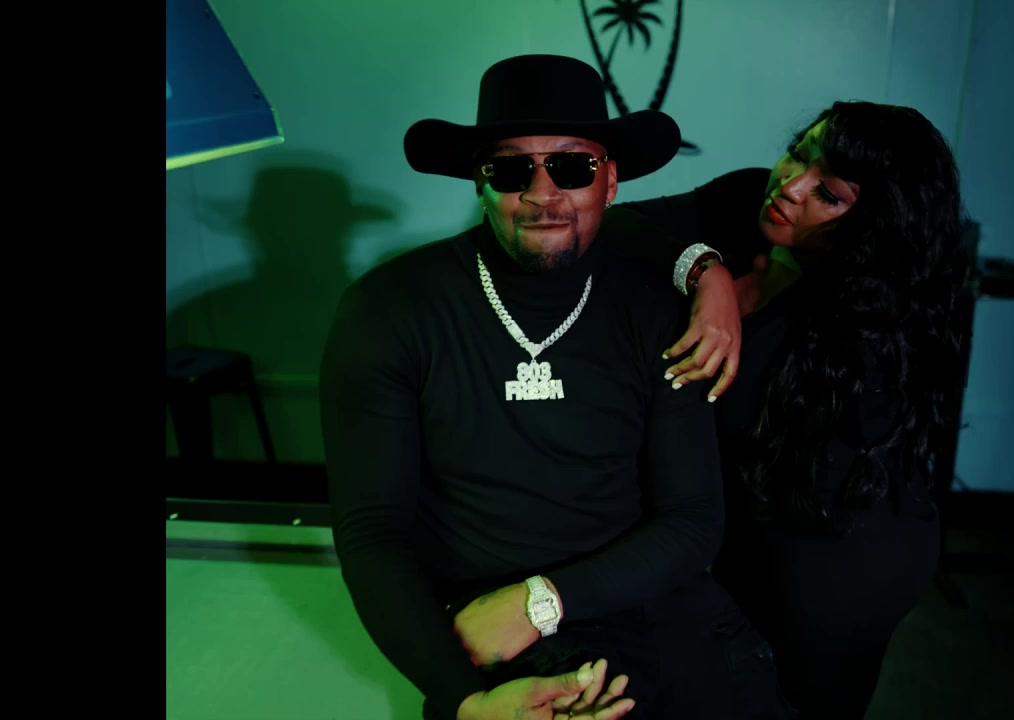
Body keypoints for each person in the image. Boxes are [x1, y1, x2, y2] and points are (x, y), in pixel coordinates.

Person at [318, 54, 795, 720]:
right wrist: (466, 700)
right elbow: (373, 533)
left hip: (649, 599)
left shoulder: (657, 311)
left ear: (611, 182)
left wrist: (541, 602)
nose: (543, 194)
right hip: (492, 623)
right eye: (511, 170)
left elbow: (692, 521)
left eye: (573, 167)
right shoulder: (389, 310)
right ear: (480, 184)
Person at [609, 100, 971, 718]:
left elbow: (722, 411)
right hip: (754, 524)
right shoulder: (751, 199)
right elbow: (616, 225)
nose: (791, 185)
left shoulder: (867, 323)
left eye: (828, 193)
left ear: (874, 224)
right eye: (800, 152)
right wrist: (706, 273)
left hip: (842, 556)